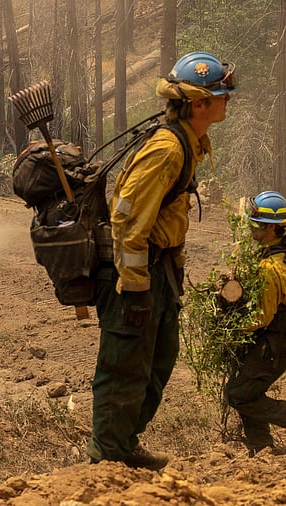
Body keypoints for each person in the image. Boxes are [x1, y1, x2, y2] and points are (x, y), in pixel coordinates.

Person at [88, 51, 235, 470]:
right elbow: (127, 219)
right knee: (125, 367)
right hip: (133, 274)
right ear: (198, 103)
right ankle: (106, 460)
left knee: (158, 361)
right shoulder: (168, 149)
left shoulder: (189, 143)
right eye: (221, 95)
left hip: (160, 271)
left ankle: (125, 445)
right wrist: (134, 287)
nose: (228, 101)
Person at [225, 190, 286, 457]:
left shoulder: (271, 269)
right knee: (248, 387)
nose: (250, 227)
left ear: (272, 229)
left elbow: (262, 317)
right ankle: (260, 447)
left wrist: (233, 331)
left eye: (255, 224)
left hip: (276, 342)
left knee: (238, 393)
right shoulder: (273, 256)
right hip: (275, 339)